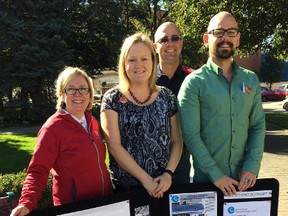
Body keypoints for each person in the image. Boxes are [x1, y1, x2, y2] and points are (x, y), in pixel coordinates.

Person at [177, 11, 265, 196]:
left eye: (231, 32)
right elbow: (191, 135)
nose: (225, 37)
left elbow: (257, 126)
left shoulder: (251, 80)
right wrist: (216, 175)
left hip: (244, 183)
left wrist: (252, 166)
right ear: (206, 38)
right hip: (206, 185)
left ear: (238, 39)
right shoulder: (194, 83)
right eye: (218, 32)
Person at [10, 67, 112, 216]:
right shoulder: (52, 128)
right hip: (74, 209)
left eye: (83, 89)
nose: (78, 94)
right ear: (62, 94)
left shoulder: (92, 122)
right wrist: (27, 201)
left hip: (103, 203)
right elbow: (38, 170)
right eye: (71, 89)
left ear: (89, 94)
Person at [100, 33, 183, 198]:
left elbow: (177, 141)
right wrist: (146, 180)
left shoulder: (167, 97)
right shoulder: (112, 99)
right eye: (132, 60)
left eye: (144, 59)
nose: (139, 65)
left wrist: (168, 174)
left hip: (164, 187)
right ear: (124, 64)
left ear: (153, 62)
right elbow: (115, 147)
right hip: (127, 191)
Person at [154, 22, 194, 184]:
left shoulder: (194, 79)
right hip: (149, 161)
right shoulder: (145, 79)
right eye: (164, 39)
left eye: (174, 38)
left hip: (183, 161)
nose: (170, 43)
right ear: (155, 46)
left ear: (181, 42)